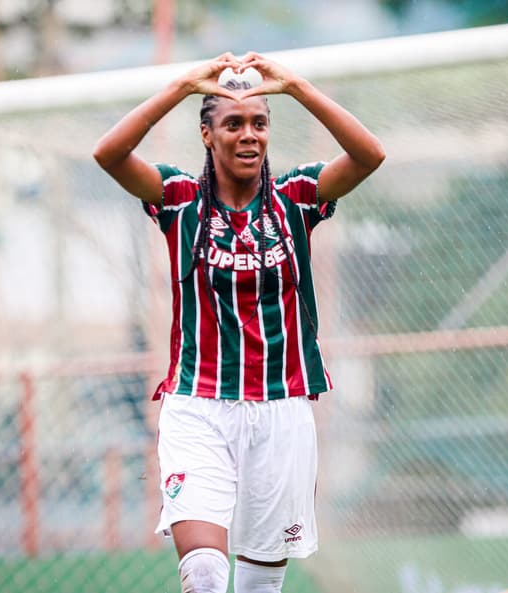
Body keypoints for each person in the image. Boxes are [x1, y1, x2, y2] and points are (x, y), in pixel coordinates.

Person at [92, 52, 384, 593]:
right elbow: (108, 153)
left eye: (259, 123)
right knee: (203, 573)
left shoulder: (295, 198)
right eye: (233, 123)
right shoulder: (178, 199)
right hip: (198, 408)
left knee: (257, 586)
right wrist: (182, 85)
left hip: (281, 413)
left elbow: (369, 155)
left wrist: (296, 86)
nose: (249, 135)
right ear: (207, 135)